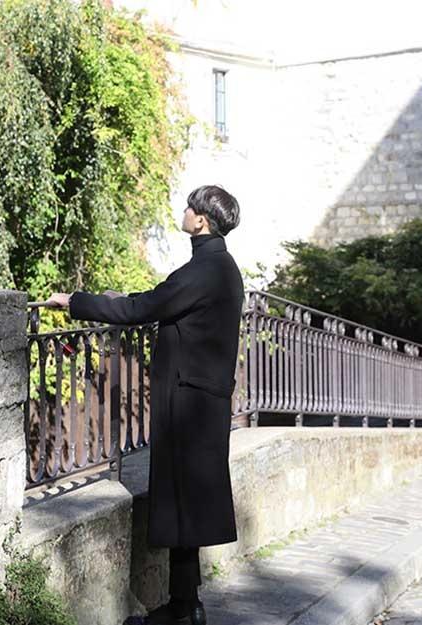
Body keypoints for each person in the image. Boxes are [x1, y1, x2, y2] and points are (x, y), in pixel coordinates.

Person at [46, 185, 244, 625]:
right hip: (201, 401)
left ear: (201, 221)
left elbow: (145, 308)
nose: (184, 210)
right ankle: (185, 604)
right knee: (186, 501)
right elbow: (162, 300)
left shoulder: (203, 270)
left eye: (190, 207)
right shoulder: (220, 267)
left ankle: (183, 609)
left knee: (182, 501)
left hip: (188, 404)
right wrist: (123, 300)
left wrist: (76, 302)